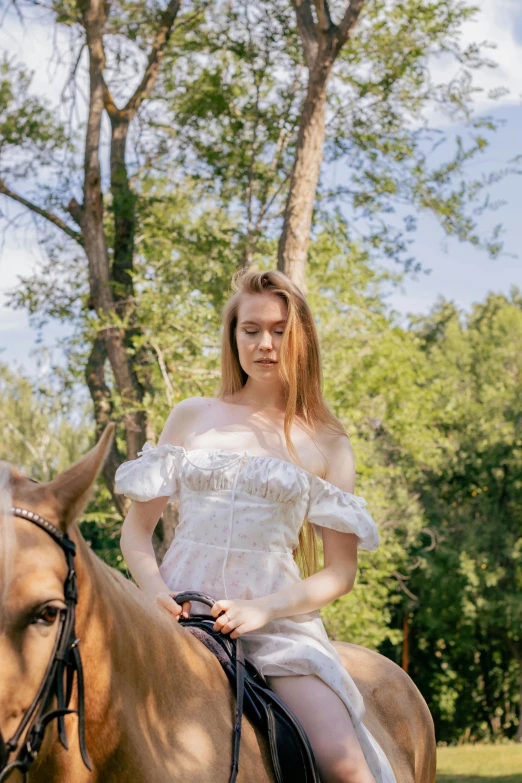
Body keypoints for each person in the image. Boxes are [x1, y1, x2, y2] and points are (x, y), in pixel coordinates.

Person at [115, 270, 396, 783]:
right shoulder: (192, 416)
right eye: (251, 329)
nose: (265, 344)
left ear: (301, 336)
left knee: (347, 769)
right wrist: (156, 592)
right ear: (233, 335)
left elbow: (340, 573)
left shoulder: (328, 442)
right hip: (178, 613)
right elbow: (136, 533)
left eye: (280, 330)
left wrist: (262, 608)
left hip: (277, 625)